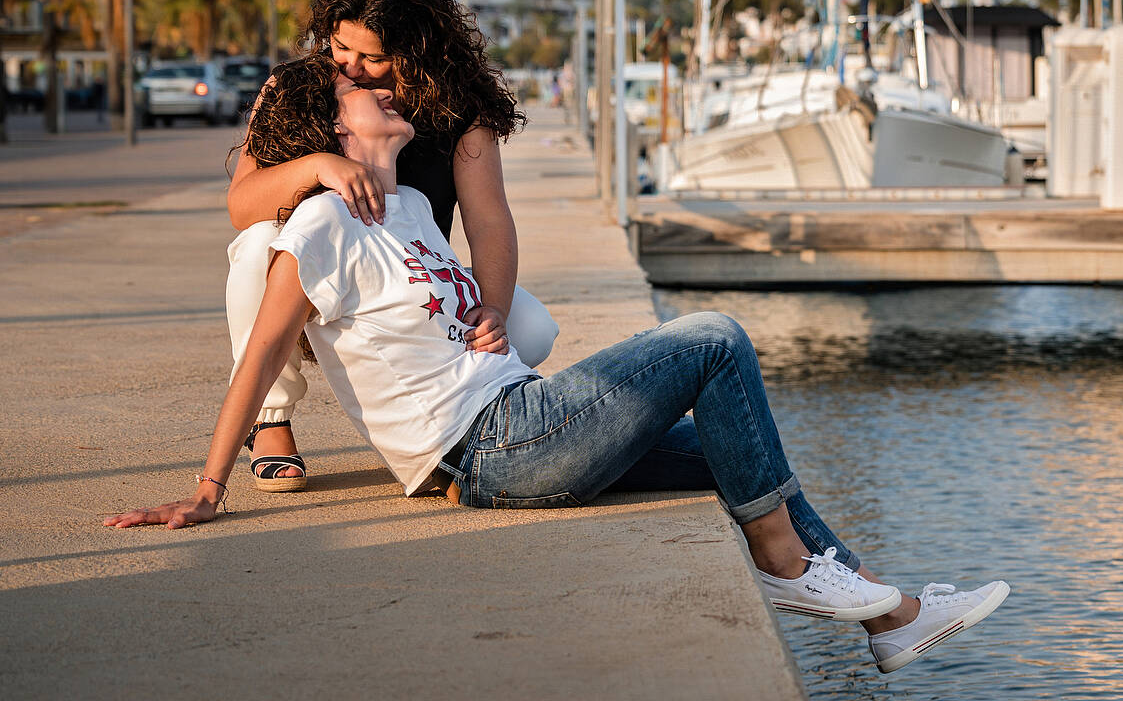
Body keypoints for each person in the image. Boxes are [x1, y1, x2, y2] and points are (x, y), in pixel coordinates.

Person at [106, 63, 1010, 675]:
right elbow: (262, 348)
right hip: (482, 452)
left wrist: (486, 325)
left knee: (740, 456)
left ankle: (889, 618)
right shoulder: (319, 229)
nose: (378, 88)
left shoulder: (414, 205)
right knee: (712, 338)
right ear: (333, 128)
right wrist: (205, 487)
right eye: (357, 86)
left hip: (518, 415)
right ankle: (786, 565)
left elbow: (464, 297)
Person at [223, 0, 557, 492]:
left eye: (373, 57)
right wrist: (318, 165)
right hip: (312, 281)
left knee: (532, 330)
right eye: (339, 46)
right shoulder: (296, 87)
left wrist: (492, 306)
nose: (350, 67)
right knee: (258, 245)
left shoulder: (459, 108)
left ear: (416, 48)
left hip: (411, 291)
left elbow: (490, 219)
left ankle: (440, 424)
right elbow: (242, 205)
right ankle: (272, 417)